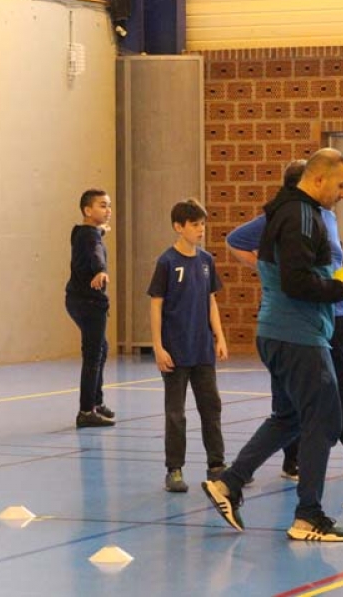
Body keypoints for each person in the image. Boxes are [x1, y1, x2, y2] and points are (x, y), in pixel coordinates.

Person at [202, 148, 343, 543]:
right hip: (298, 335)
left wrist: (340, 278)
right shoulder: (301, 216)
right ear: (318, 179)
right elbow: (297, 282)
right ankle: (308, 516)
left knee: (291, 417)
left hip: (280, 332)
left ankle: (229, 483)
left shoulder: (285, 210)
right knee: (325, 419)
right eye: (342, 185)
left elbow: (295, 271)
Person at [227, 160, 343, 481]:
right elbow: (247, 247)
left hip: (330, 312)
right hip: (299, 322)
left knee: (328, 398)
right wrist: (272, 273)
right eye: (341, 185)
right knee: (298, 408)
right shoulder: (291, 216)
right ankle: (284, 474)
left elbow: (317, 269)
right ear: (312, 183)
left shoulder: (325, 217)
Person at [148, 198, 229, 494]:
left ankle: (217, 466)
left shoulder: (206, 261)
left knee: (211, 407)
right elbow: (156, 305)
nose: (201, 229)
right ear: (178, 227)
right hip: (175, 352)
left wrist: (219, 336)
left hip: (202, 350)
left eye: (203, 224)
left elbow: (211, 301)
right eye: (195, 224)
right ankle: (174, 469)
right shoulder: (167, 262)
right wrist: (158, 346)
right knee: (176, 414)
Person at [65, 189, 117, 429]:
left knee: (101, 349)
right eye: (102, 206)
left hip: (76, 300)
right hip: (89, 303)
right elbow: (96, 253)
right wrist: (101, 270)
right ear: (87, 210)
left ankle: (96, 401)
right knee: (93, 354)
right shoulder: (90, 237)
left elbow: (96, 236)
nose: (108, 210)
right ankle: (86, 411)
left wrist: (102, 229)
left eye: (109, 206)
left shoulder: (82, 232)